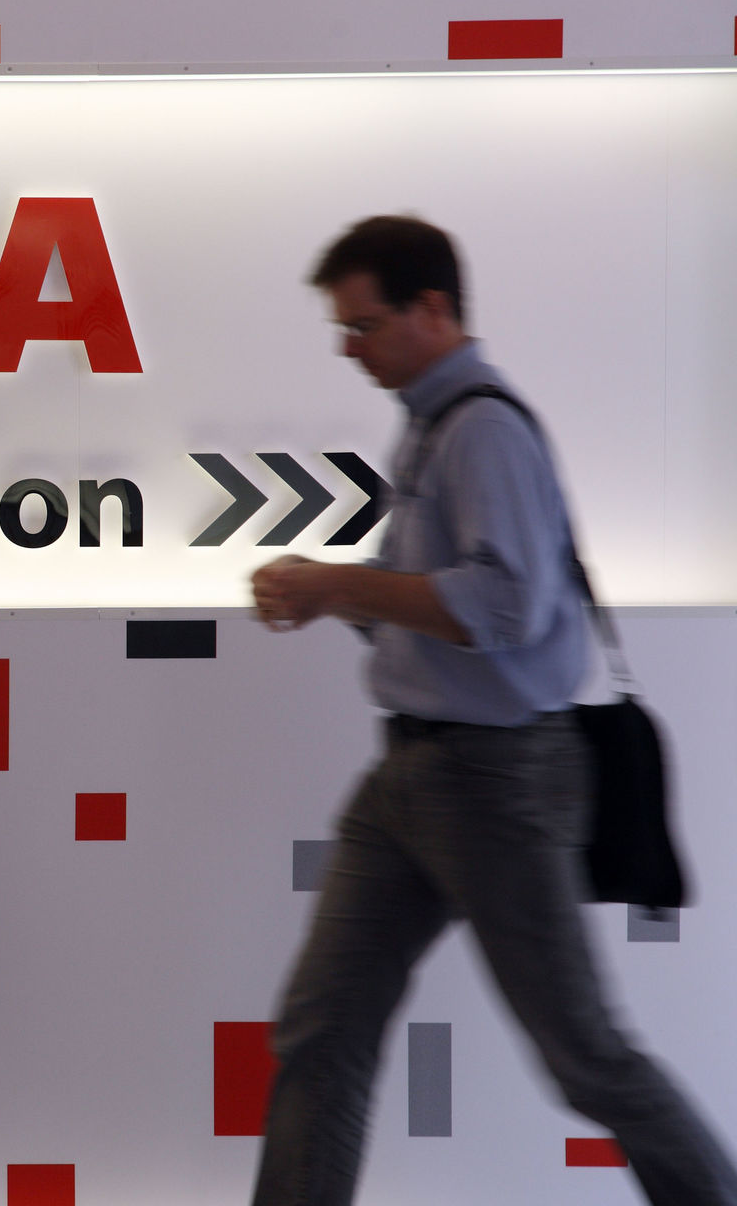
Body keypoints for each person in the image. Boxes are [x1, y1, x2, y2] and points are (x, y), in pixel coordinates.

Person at [246, 215, 737, 1206]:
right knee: (323, 1025)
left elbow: (503, 607)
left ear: (433, 308)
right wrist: (336, 596)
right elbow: (433, 605)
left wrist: (339, 584)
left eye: (363, 325)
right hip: (411, 776)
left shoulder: (484, 430)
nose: (348, 349)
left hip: (494, 780)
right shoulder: (431, 425)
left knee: (585, 1054)